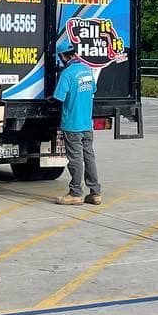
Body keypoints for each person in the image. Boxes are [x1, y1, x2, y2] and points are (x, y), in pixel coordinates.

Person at [52, 48, 101, 205]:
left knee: (75, 159)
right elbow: (93, 89)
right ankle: (95, 193)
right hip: (87, 123)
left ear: (64, 56)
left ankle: (75, 193)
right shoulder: (87, 71)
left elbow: (59, 97)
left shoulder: (67, 73)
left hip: (72, 124)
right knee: (89, 157)